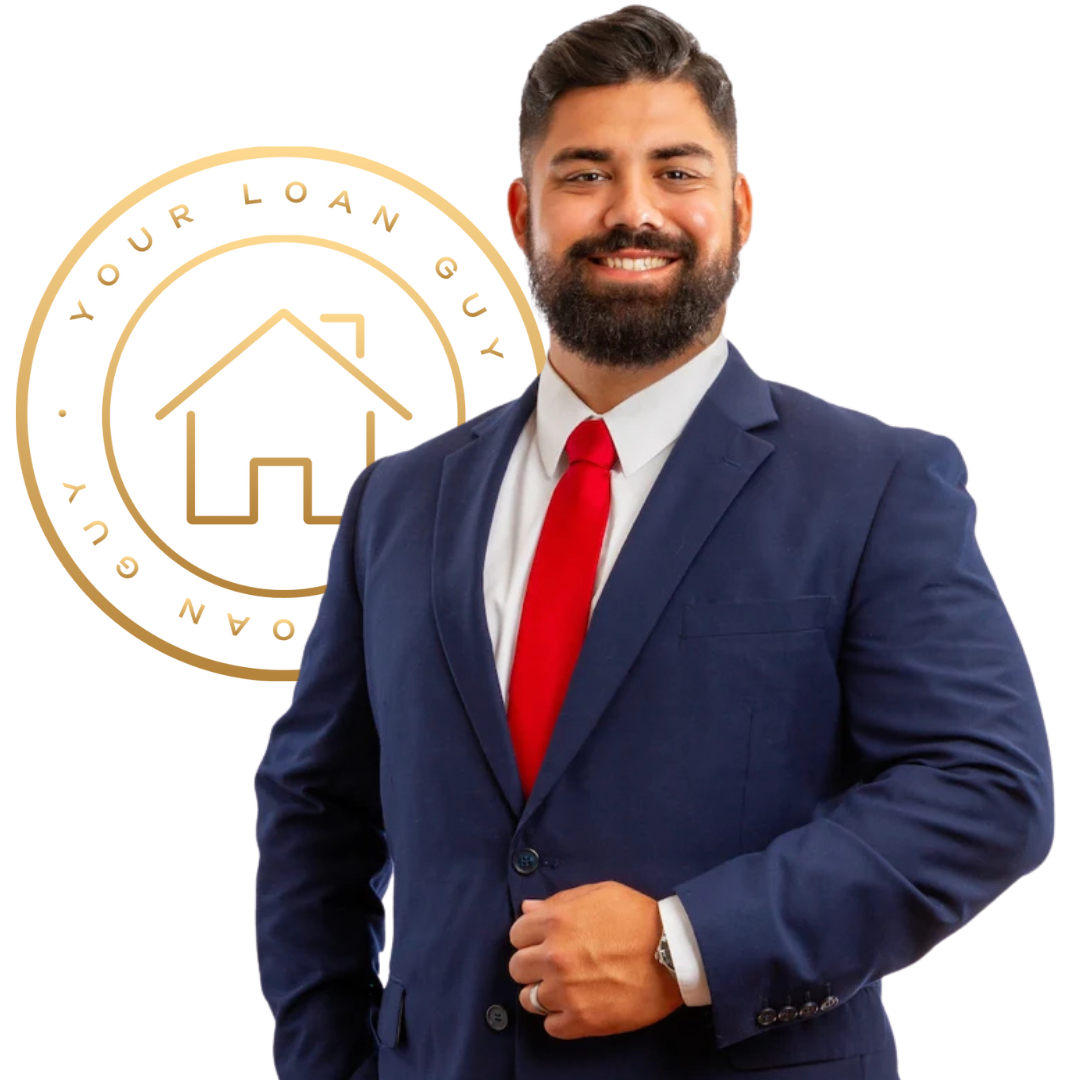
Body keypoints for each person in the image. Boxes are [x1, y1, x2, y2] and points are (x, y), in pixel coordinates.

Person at [253, 7, 1054, 1079]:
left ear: (739, 207)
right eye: (586, 174)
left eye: (677, 172)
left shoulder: (877, 482)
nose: (634, 212)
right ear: (521, 211)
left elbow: (985, 790)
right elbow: (315, 811)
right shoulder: (397, 501)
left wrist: (689, 946)